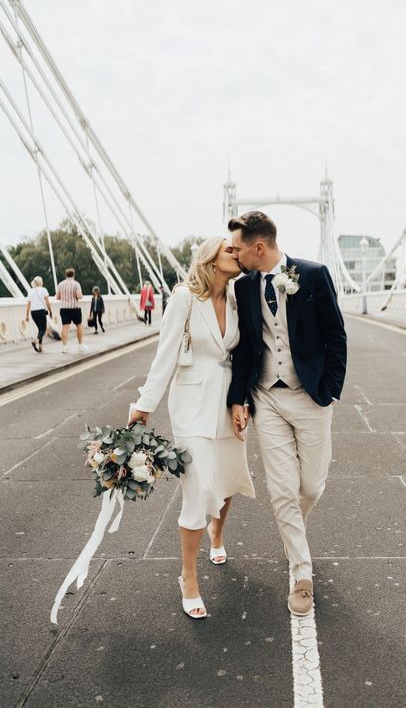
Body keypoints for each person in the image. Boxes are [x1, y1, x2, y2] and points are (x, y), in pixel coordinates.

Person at [228, 211, 347, 617]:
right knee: (282, 490)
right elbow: (244, 348)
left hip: (310, 396)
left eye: (238, 247)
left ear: (258, 247)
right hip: (268, 398)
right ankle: (301, 572)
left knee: (311, 487)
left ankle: (291, 529)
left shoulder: (313, 274)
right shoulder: (242, 287)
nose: (234, 254)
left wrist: (330, 390)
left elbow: (335, 334)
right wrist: (238, 398)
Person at [128, 238, 255, 619]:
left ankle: (217, 532)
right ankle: (188, 576)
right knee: (199, 488)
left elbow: (244, 354)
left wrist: (242, 401)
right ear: (211, 258)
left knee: (228, 479)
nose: (238, 253)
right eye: (230, 250)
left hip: (227, 404)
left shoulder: (236, 298)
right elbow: (165, 353)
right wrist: (144, 405)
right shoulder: (184, 298)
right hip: (190, 406)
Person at [56, 268, 87, 353]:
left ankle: (64, 347)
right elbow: (80, 297)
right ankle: (80, 345)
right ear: (74, 275)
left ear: (66, 275)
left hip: (64, 308)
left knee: (65, 327)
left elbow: (57, 297)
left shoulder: (60, 284)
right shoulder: (76, 284)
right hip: (74, 308)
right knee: (79, 326)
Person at [25, 276, 53, 353]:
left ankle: (40, 347)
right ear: (41, 282)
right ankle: (36, 341)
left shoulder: (30, 291)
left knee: (40, 329)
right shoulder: (44, 290)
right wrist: (50, 311)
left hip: (33, 312)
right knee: (43, 329)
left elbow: (28, 304)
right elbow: (47, 302)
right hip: (41, 311)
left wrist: (27, 315)